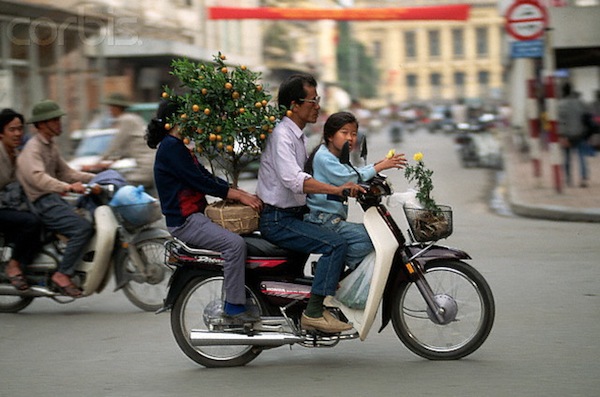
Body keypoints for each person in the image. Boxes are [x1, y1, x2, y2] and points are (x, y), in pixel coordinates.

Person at [256, 73, 363, 334]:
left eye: (318, 100)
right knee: (334, 244)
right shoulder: (282, 135)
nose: (317, 106)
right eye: (313, 101)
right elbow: (296, 180)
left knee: (343, 236)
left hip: (295, 214)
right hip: (279, 219)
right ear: (294, 105)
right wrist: (337, 188)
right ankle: (314, 313)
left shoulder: (298, 136)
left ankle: (324, 293)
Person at [147, 100, 263, 323]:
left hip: (196, 216)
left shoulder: (179, 146)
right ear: (177, 120)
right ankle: (233, 307)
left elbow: (206, 176)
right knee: (234, 245)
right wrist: (237, 195)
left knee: (249, 240)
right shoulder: (170, 147)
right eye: (189, 116)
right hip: (185, 222)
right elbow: (200, 181)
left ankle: (246, 294)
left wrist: (235, 191)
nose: (194, 120)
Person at [304, 111, 407, 270]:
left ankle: (336, 267)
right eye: (344, 133)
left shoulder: (334, 155)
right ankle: (332, 268)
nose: (350, 138)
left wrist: (374, 166)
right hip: (324, 220)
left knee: (373, 235)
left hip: (331, 219)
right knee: (372, 237)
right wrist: (379, 166)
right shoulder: (324, 157)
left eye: (353, 134)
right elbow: (350, 178)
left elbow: (354, 172)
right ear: (330, 136)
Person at [17, 100, 95, 297]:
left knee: (86, 218)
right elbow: (39, 178)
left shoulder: (50, 145)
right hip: (42, 202)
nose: (60, 123)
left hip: (53, 199)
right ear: (42, 124)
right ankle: (62, 273)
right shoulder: (32, 149)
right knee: (82, 229)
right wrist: (67, 187)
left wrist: (97, 178)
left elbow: (67, 172)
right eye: (55, 120)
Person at [0, 109, 41, 290]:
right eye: (12, 129)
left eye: (20, 129)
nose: (17, 134)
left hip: (6, 204)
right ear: (1, 133)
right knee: (30, 222)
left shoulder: (16, 153)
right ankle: (14, 265)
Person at [86, 93, 155, 190]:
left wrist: (97, 163)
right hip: (151, 166)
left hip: (146, 168)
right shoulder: (133, 119)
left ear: (116, 108)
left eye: (111, 108)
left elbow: (116, 144)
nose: (110, 111)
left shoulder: (126, 120)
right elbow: (126, 149)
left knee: (120, 184)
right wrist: (111, 161)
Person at [557, 82, 589, 187]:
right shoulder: (579, 102)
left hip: (567, 135)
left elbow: (562, 122)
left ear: (562, 91)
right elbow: (585, 116)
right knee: (581, 156)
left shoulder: (561, 104)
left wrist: (562, 136)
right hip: (579, 133)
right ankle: (583, 178)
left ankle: (568, 180)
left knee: (567, 158)